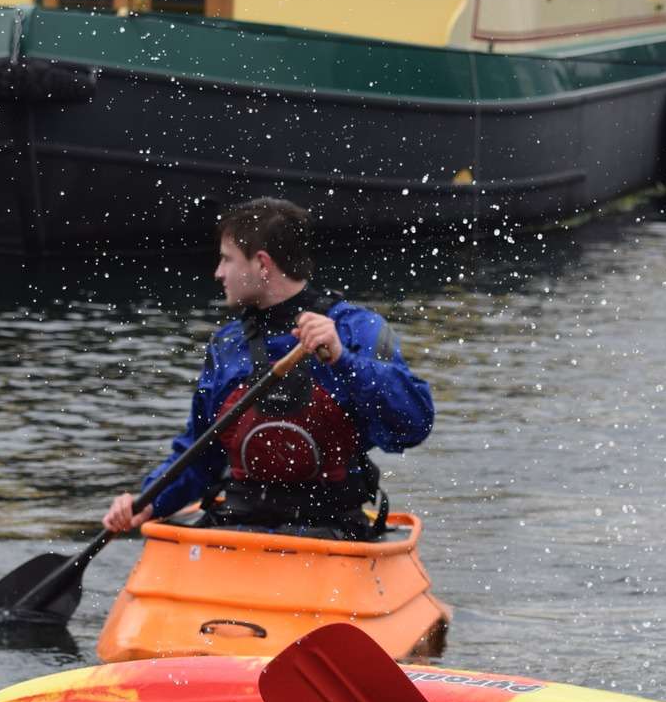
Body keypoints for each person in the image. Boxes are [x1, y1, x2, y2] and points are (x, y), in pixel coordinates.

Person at [103, 197, 434, 539]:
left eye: (226, 259)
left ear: (262, 263)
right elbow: (200, 456)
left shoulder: (355, 330)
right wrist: (149, 500)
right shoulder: (227, 346)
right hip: (241, 527)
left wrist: (342, 359)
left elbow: (413, 426)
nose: (218, 272)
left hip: (334, 532)